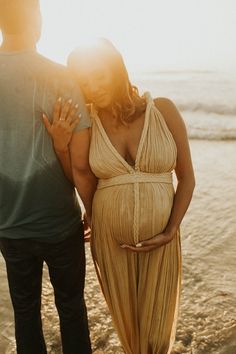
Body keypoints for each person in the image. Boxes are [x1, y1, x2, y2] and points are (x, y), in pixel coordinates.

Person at [44, 38, 195, 354]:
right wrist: (60, 146)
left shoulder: (163, 110)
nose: (93, 88)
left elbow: (187, 177)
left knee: (155, 337)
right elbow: (81, 174)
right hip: (111, 241)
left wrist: (171, 230)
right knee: (131, 336)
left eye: (99, 77)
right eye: (84, 82)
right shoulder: (87, 122)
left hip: (162, 240)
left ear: (117, 71)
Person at [0, 1, 96, 353]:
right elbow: (82, 166)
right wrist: (95, 213)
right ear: (37, 20)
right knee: (71, 310)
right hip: (60, 224)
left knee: (25, 314)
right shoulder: (60, 76)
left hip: (9, 225)